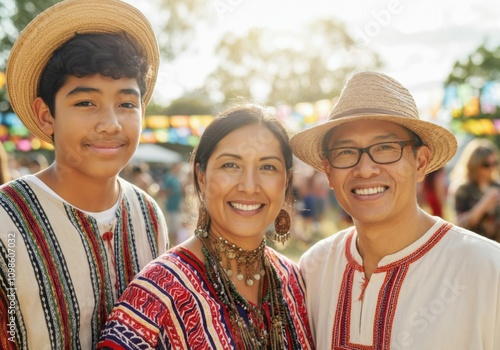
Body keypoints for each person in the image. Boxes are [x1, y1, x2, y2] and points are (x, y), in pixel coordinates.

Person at [0, 1, 168, 349]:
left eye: (126, 103)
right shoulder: (6, 223)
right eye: (85, 103)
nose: (111, 124)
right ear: (46, 116)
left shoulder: (148, 214)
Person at [290, 71, 500, 349]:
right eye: (345, 152)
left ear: (421, 162)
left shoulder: (487, 270)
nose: (365, 169)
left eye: (386, 147)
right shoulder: (314, 268)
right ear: (328, 172)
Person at [98, 104, 315, 349]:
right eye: (230, 165)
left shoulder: (295, 282)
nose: (249, 185)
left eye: (267, 167)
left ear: (286, 181)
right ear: (201, 176)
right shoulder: (158, 294)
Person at [449, 138, 500, 242]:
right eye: (486, 164)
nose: (492, 168)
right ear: (474, 165)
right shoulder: (463, 189)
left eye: (494, 163)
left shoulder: (497, 186)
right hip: (472, 246)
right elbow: (459, 225)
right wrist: (484, 205)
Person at [162, 161, 184, 245]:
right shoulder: (169, 177)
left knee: (176, 229)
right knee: (172, 229)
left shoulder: (177, 177)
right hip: (170, 206)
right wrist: (172, 192)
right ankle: (171, 246)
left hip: (177, 206)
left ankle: (173, 245)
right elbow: (164, 191)